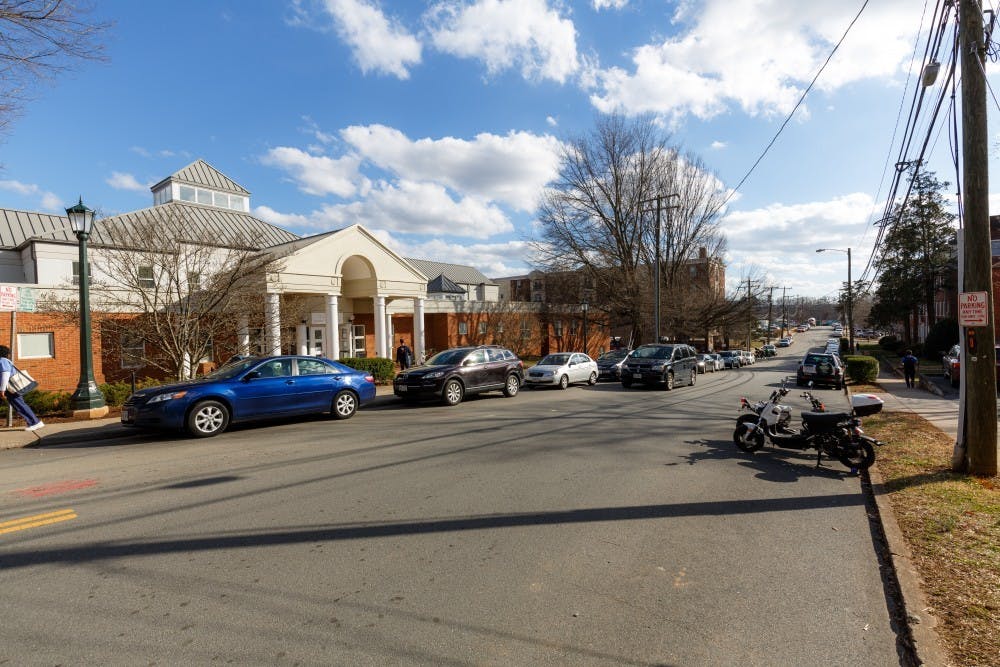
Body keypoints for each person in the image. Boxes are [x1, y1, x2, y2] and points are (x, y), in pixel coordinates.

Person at [0, 345, 43, 431]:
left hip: (11, 388)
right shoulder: (4, 360)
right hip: (10, 389)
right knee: (19, 406)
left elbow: (5, 375)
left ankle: (35, 422)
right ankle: (34, 422)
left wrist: (2, 389)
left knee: (20, 405)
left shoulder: (2, 361)